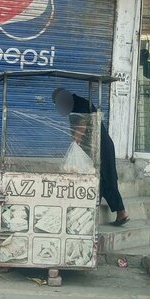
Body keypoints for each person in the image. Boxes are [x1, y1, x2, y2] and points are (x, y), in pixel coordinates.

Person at [52, 88, 129, 226]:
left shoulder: (80, 104)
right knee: (97, 179)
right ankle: (98, 213)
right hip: (93, 147)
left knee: (108, 178)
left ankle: (121, 212)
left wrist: (75, 142)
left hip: (102, 145)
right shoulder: (72, 107)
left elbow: (82, 124)